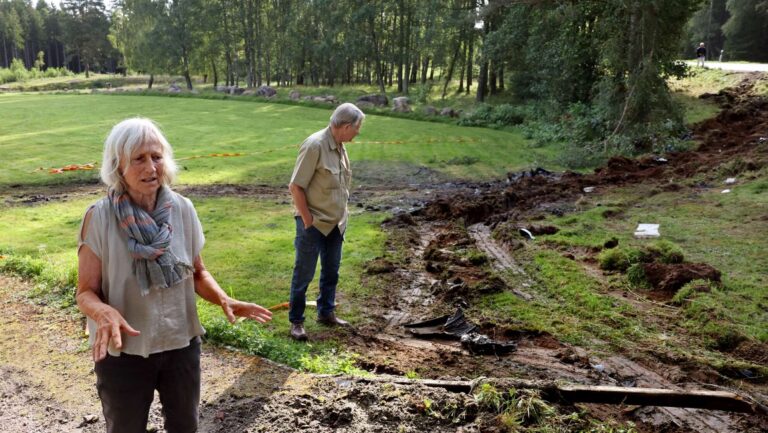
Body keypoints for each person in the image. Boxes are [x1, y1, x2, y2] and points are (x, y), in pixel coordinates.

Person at [76, 118, 272, 433]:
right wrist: (103, 312)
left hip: (180, 343)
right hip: (124, 350)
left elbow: (197, 273)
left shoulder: (182, 209)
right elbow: (86, 292)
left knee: (185, 427)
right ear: (117, 166)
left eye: (157, 156)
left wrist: (224, 299)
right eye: (138, 159)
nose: (151, 167)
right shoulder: (99, 217)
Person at [287, 103, 365, 341]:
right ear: (346, 126)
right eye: (357, 128)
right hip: (314, 224)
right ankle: (297, 321)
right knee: (304, 274)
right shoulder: (315, 145)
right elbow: (295, 186)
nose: (358, 132)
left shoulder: (341, 146)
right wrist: (307, 220)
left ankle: (326, 312)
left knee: (331, 271)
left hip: (336, 224)